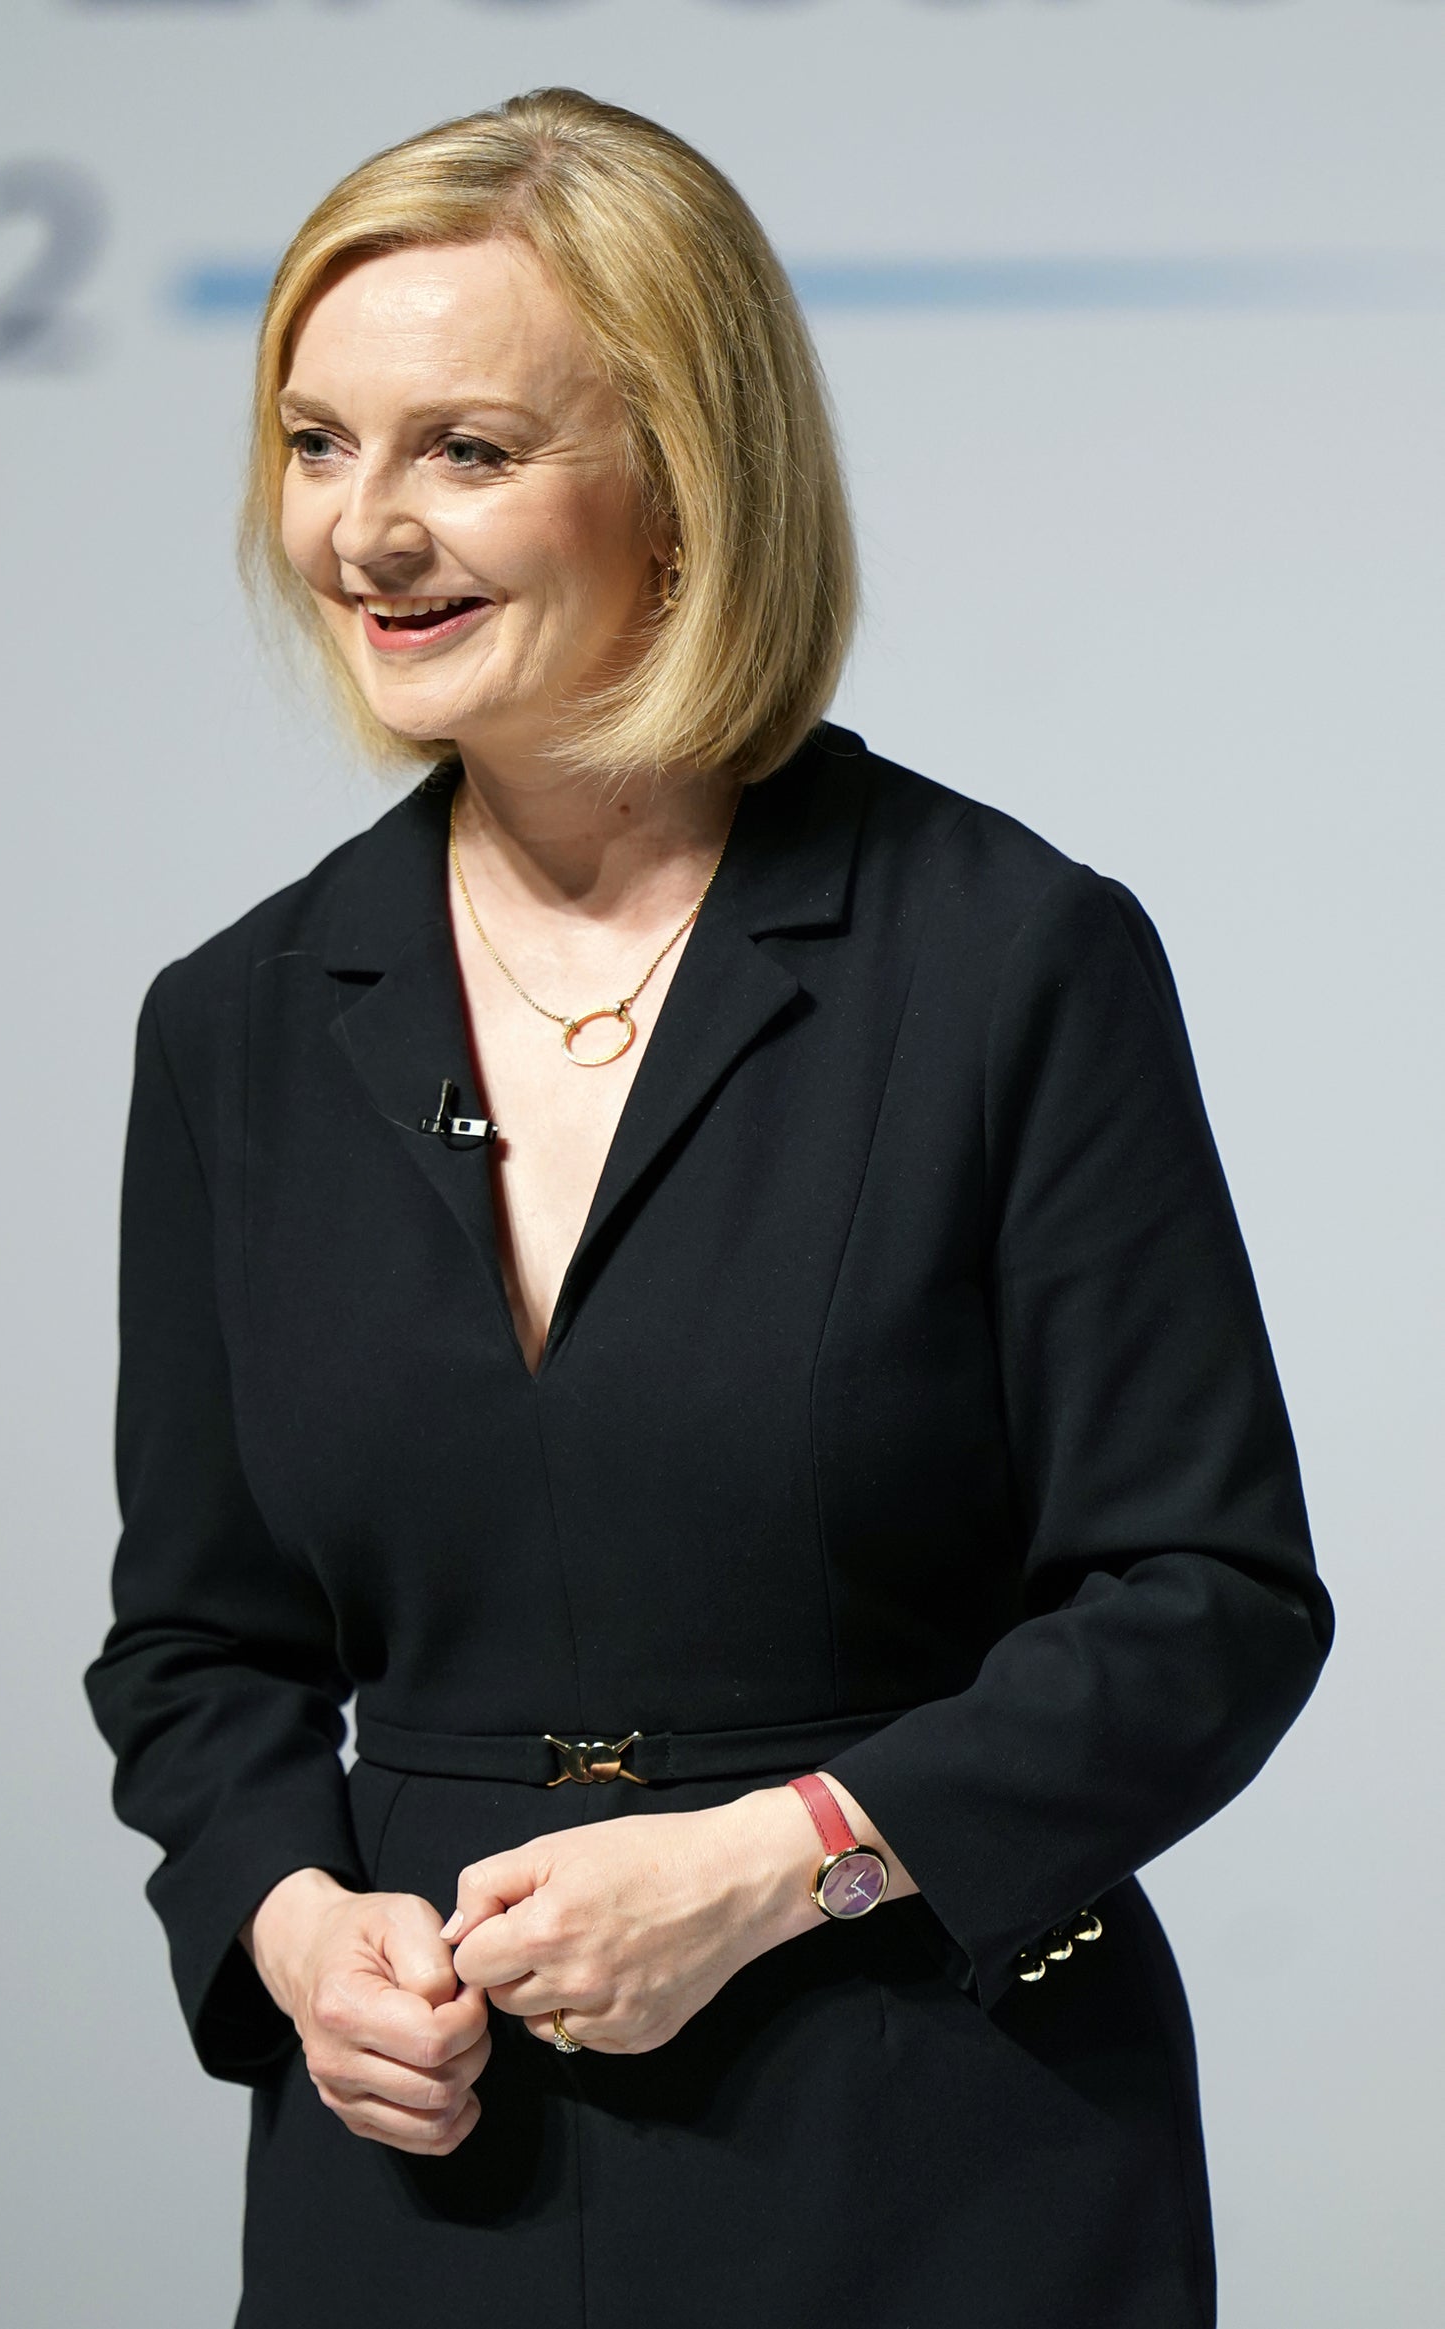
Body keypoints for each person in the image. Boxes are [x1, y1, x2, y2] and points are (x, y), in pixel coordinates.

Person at [83, 88, 1326, 2326]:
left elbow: (1204, 1597)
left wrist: (785, 1865)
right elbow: (197, 1646)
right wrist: (283, 1921)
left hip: (942, 2147)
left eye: (462, 449)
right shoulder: (236, 1025)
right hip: (420, 2184)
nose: (361, 533)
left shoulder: (1009, 956)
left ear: (682, 474)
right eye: (313, 443)